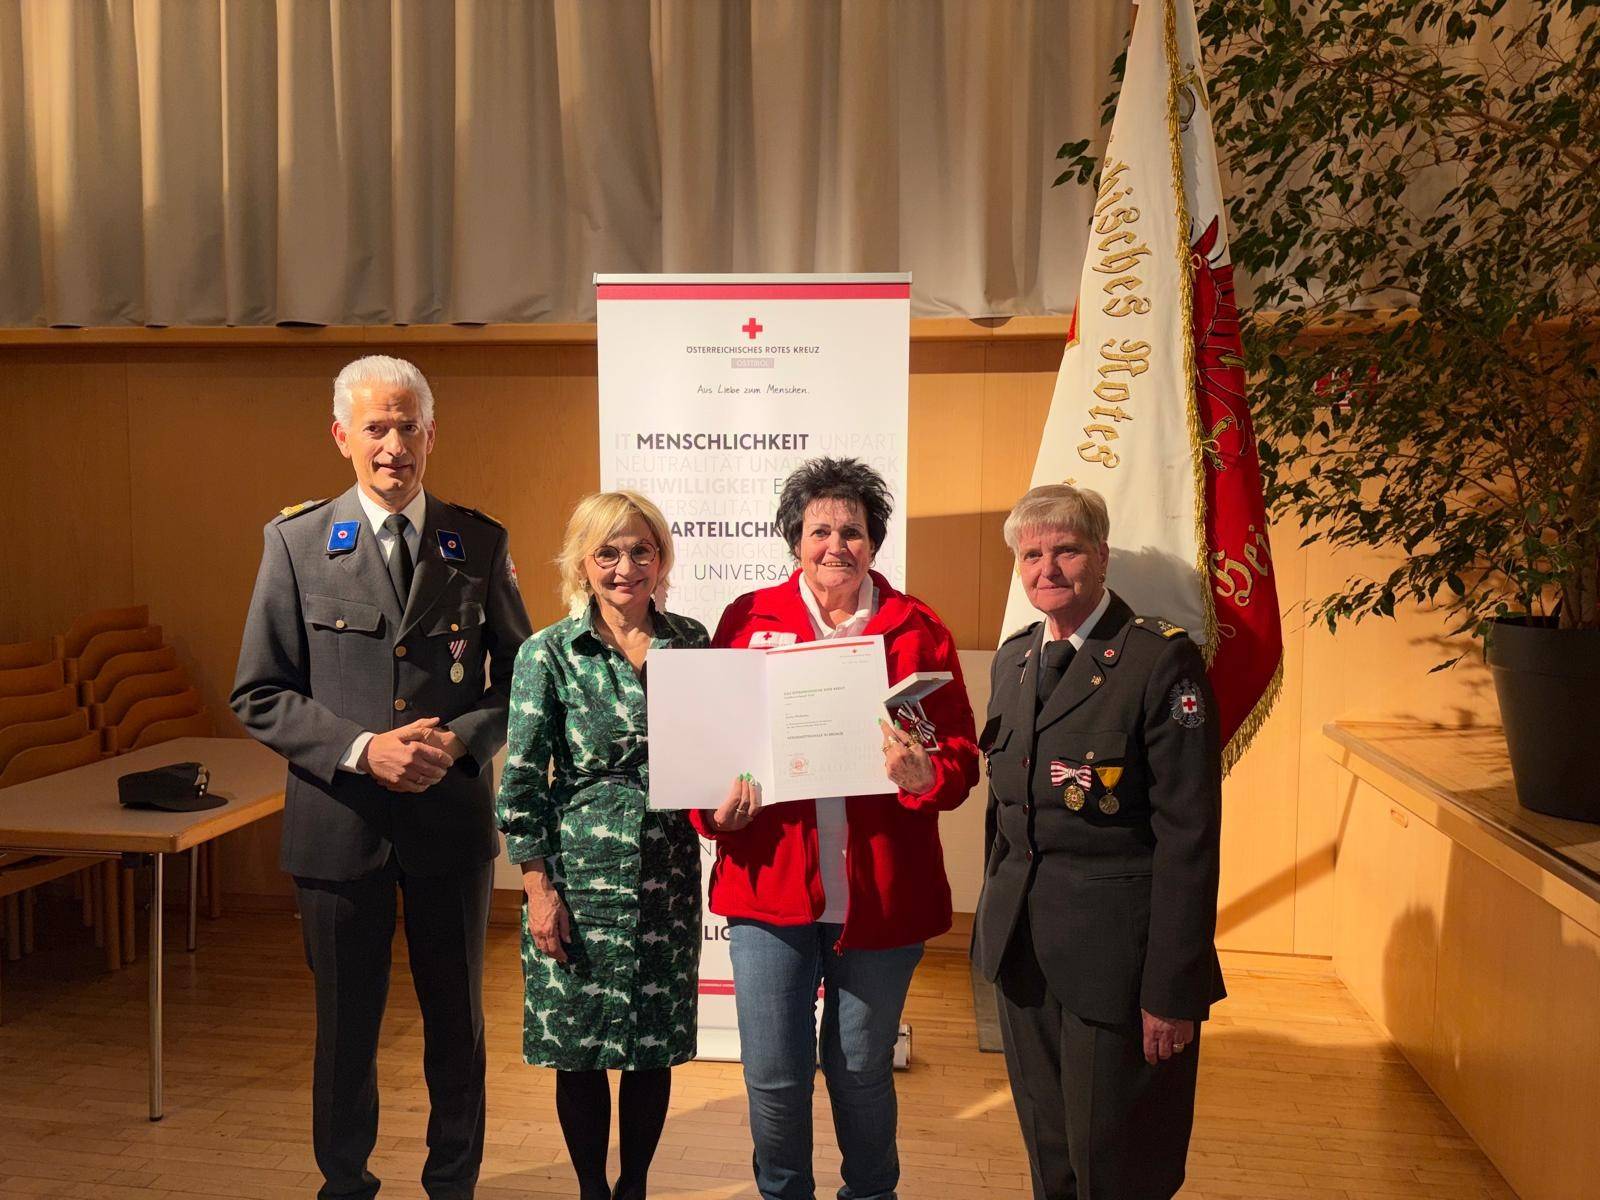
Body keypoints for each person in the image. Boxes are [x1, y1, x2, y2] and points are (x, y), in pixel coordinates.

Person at [231, 354, 531, 1200]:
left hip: (449, 824)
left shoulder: (478, 540)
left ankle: (453, 1185)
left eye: (407, 427)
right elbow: (257, 692)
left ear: (431, 435)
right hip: (339, 827)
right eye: (376, 427)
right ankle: (345, 1186)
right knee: (345, 1031)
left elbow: (520, 680)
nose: (393, 445)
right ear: (342, 437)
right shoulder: (294, 544)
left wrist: (460, 743)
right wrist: (365, 750)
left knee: (457, 1025)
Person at [690, 456, 979, 1200]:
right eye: (820, 529)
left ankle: (871, 1194)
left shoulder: (917, 630)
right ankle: (783, 1194)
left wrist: (928, 775)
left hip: (882, 896)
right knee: (775, 1077)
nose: (836, 545)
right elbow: (711, 753)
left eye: (852, 530)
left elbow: (961, 759)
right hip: (768, 888)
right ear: (795, 540)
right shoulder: (747, 620)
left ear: (874, 542)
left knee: (859, 1071)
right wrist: (711, 816)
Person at [971, 483, 1224, 1200]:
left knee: (1116, 1165)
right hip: (1023, 952)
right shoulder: (1014, 659)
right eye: (1032, 555)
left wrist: (1172, 989)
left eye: (1066, 550)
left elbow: (1189, 837)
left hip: (1116, 962)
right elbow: (1006, 814)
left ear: (1102, 556)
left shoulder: (1156, 663)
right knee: (1051, 1153)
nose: (1047, 569)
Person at [496, 491, 710, 1200]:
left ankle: (635, 1188)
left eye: (641, 551)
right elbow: (523, 784)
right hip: (576, 881)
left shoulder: (693, 641)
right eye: (608, 553)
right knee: (579, 1051)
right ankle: (592, 1188)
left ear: (661, 559)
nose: (626, 567)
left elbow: (716, 755)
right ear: (583, 565)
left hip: (667, 874)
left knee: (653, 1048)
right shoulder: (546, 653)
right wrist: (538, 889)